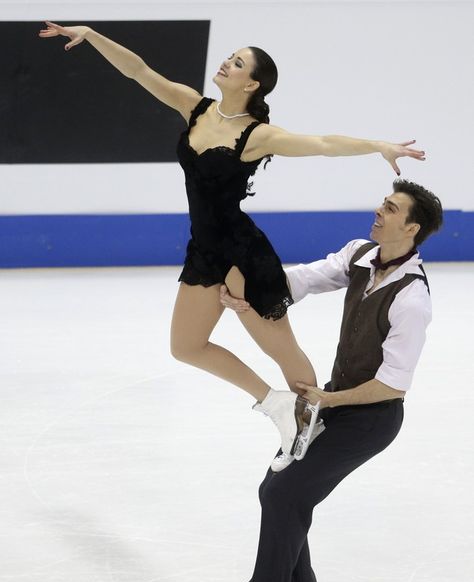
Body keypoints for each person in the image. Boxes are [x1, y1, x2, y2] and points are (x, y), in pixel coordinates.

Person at [39, 22, 426, 458]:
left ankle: (314, 417)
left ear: (253, 83)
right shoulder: (195, 108)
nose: (227, 62)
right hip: (204, 250)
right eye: (230, 56)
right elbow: (140, 72)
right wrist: (91, 35)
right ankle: (276, 404)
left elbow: (321, 143)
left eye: (238, 62)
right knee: (185, 347)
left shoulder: (257, 135)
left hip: (243, 256)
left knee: (283, 351)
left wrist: (376, 144)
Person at [201, 179, 443, 582]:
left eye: (391, 208)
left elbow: (393, 383)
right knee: (279, 491)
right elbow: (304, 279)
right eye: (382, 203)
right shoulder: (360, 255)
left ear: (411, 227)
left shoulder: (412, 299)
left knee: (285, 493)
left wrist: (328, 401)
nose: (379, 211)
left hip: (370, 419)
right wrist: (250, 294)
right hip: (332, 401)